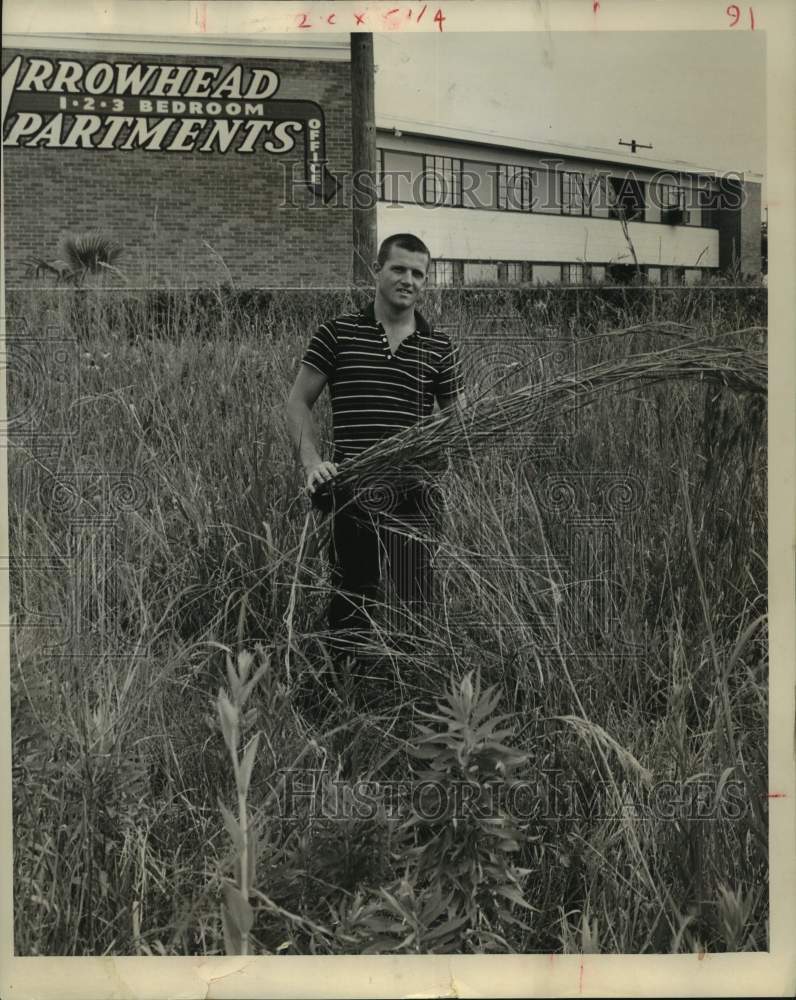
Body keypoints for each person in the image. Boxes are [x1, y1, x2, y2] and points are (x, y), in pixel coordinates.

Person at [285, 233, 464, 657]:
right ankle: (346, 695)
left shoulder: (439, 347)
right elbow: (296, 403)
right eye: (399, 269)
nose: (409, 280)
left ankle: (411, 690)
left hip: (414, 495)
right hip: (352, 490)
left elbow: (457, 423)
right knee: (351, 601)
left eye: (418, 273)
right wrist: (313, 463)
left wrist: (439, 455)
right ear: (376, 271)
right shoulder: (337, 334)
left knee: (416, 603)